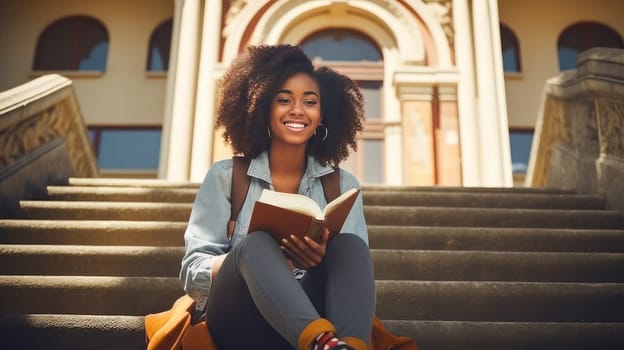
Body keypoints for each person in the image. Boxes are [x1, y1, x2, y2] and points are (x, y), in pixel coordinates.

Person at [179, 44, 375, 350]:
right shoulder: (225, 177)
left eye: (310, 102)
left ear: (322, 115)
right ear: (262, 106)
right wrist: (265, 262)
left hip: (314, 308)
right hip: (240, 317)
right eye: (284, 100)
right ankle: (320, 342)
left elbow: (353, 278)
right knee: (256, 243)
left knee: (351, 245)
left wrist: (316, 262)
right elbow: (192, 271)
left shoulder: (343, 184)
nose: (297, 110)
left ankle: (347, 347)